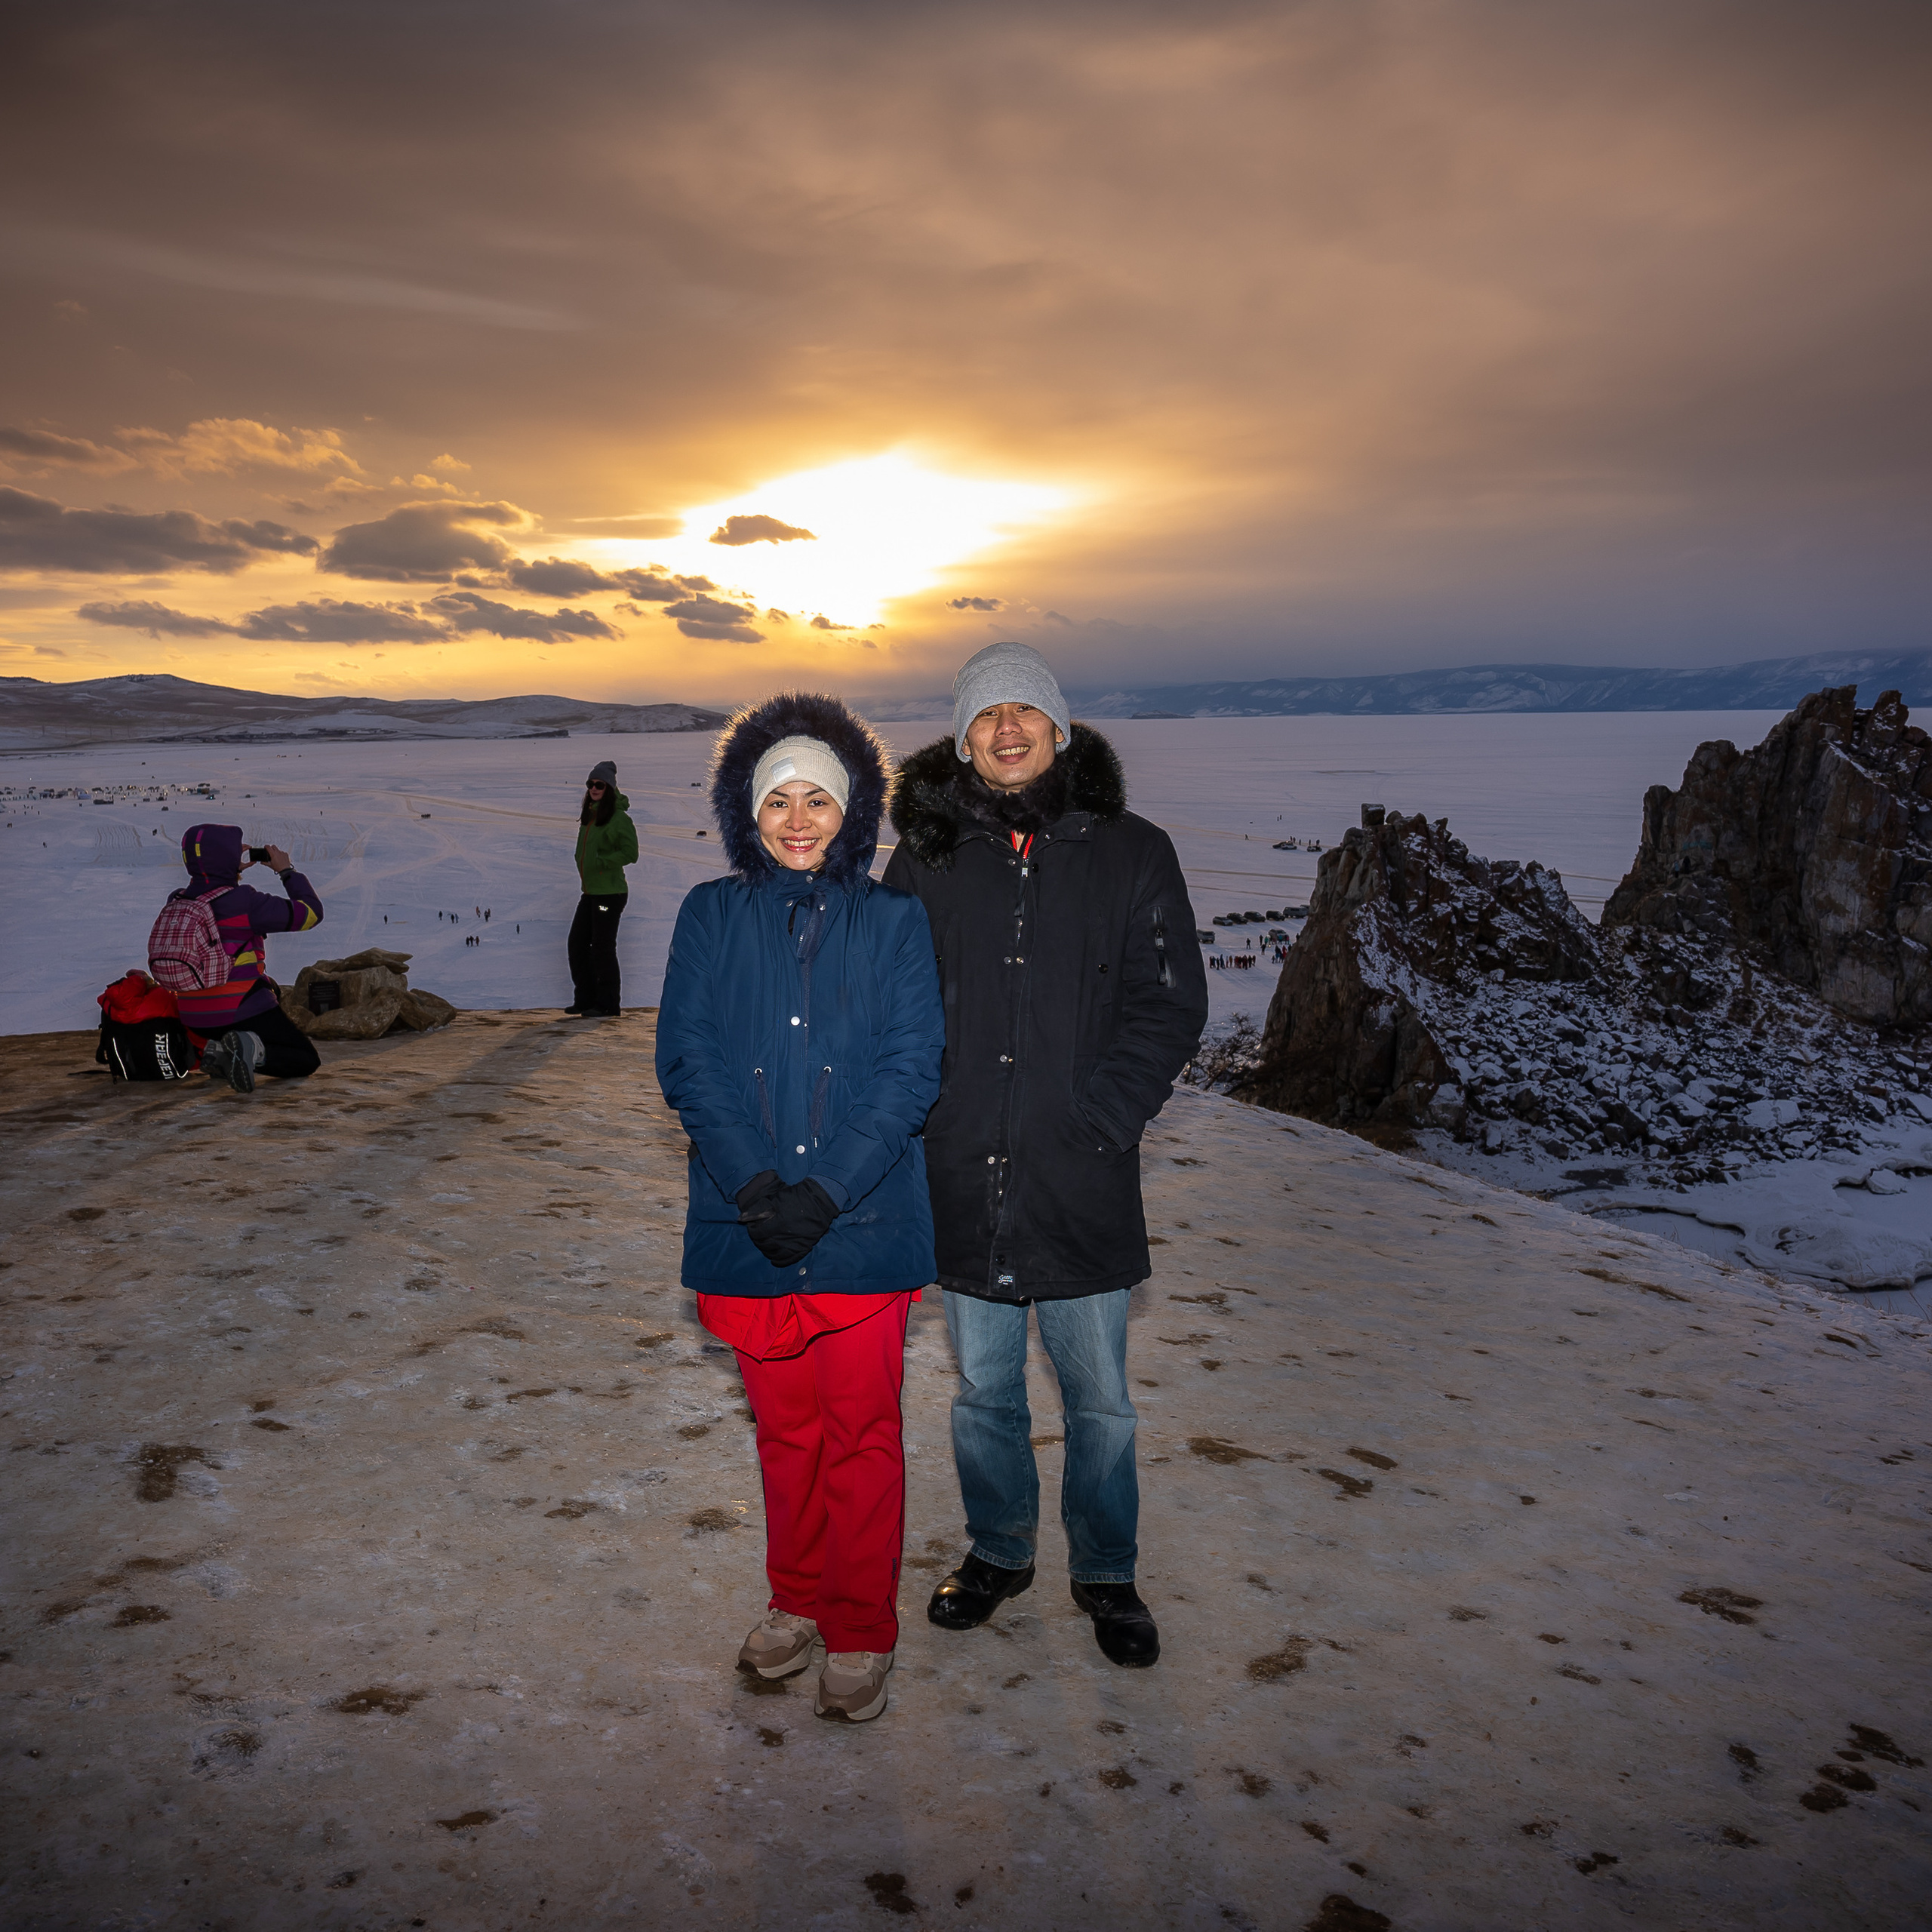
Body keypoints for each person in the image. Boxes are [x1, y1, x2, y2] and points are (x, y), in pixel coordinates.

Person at [882, 641, 1208, 1669]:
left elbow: (1170, 1004)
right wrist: (921, 1113)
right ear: (963, 740)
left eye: (1024, 713)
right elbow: (890, 1001)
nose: (1006, 730)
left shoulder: (1132, 849)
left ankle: (1108, 1571)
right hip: (963, 1166)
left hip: (1080, 1172)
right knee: (983, 1389)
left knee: (1099, 1398)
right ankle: (1001, 1552)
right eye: (985, 718)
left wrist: (1102, 1116)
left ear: (1059, 729)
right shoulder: (927, 857)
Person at [657, 694, 943, 1724]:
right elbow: (688, 1060)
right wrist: (756, 1188)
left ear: (855, 807)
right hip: (749, 1227)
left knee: (861, 1431)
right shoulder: (708, 915)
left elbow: (912, 1071)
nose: (799, 817)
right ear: (748, 809)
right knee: (786, 1435)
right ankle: (799, 1599)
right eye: (778, 797)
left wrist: (825, 1191)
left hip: (861, 1229)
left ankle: (861, 1623)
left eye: (820, 797)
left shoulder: (897, 922)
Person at [158, 824, 325, 1093]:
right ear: (226, 858)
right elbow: (310, 914)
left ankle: (220, 1054)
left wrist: (230, 869)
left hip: (194, 1016)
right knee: (304, 1058)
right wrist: (286, 870)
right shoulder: (244, 902)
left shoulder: (177, 899)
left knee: (268, 986)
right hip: (237, 1009)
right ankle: (247, 1050)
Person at [568, 760, 638, 1017]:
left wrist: (603, 862)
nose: (594, 788)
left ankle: (608, 1004)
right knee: (577, 944)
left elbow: (631, 853)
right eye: (591, 784)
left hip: (609, 893)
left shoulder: (619, 819)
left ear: (609, 788)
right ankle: (585, 999)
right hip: (591, 892)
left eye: (599, 784)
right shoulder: (590, 816)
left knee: (602, 946)